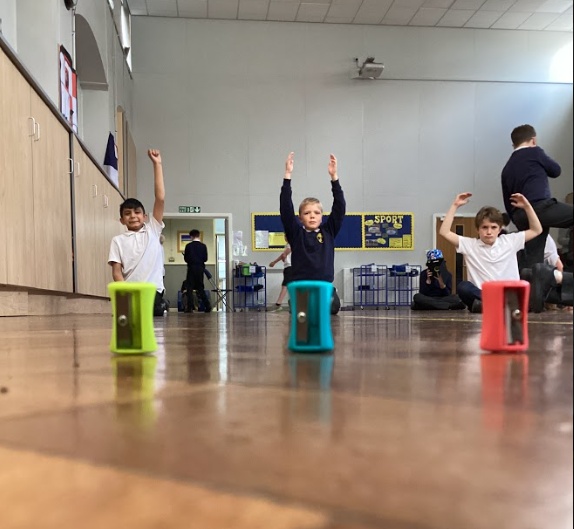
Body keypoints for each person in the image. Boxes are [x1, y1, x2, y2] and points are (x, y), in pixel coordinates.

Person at [439, 192, 542, 313]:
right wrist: (455, 205)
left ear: (499, 229)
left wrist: (527, 207)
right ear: (477, 229)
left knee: (528, 289)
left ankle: (490, 305)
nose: (489, 232)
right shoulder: (470, 245)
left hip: (507, 294)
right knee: (463, 287)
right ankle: (498, 304)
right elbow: (444, 232)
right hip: (482, 295)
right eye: (484, 227)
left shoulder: (510, 241)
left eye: (493, 227)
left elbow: (536, 230)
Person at [279, 151, 345, 315]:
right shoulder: (296, 234)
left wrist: (334, 177)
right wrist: (287, 175)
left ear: (322, 216)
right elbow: (286, 208)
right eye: (307, 213)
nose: (312, 216)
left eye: (316, 213)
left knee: (332, 307)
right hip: (302, 287)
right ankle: (297, 301)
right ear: (300, 218)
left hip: (324, 286)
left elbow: (340, 207)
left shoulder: (328, 231)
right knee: (303, 312)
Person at [501, 124, 573, 269]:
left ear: (513, 144)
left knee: (533, 259)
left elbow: (507, 201)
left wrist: (518, 219)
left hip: (520, 215)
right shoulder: (534, 152)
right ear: (533, 140)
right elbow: (556, 171)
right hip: (541, 208)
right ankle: (571, 262)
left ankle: (529, 283)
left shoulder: (507, 168)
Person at [108, 149, 167, 317]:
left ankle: (161, 305)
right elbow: (117, 272)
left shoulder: (153, 230)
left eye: (137, 212)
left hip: (152, 290)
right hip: (130, 291)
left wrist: (157, 164)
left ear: (145, 216)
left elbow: (160, 198)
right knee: (126, 316)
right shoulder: (117, 240)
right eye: (127, 213)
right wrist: (125, 295)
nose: (133, 216)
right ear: (122, 220)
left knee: (151, 312)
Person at [183, 229, 212, 313]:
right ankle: (207, 306)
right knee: (200, 287)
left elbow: (186, 259)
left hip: (191, 268)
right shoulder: (203, 246)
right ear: (199, 235)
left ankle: (190, 308)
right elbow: (205, 259)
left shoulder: (188, 246)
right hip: (200, 268)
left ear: (191, 236)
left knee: (189, 288)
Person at [269, 243, 292, 312]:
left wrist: (274, 262)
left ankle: (278, 304)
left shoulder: (290, 243)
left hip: (289, 267)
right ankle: (292, 303)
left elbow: (284, 255)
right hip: (293, 266)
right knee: (291, 285)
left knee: (285, 285)